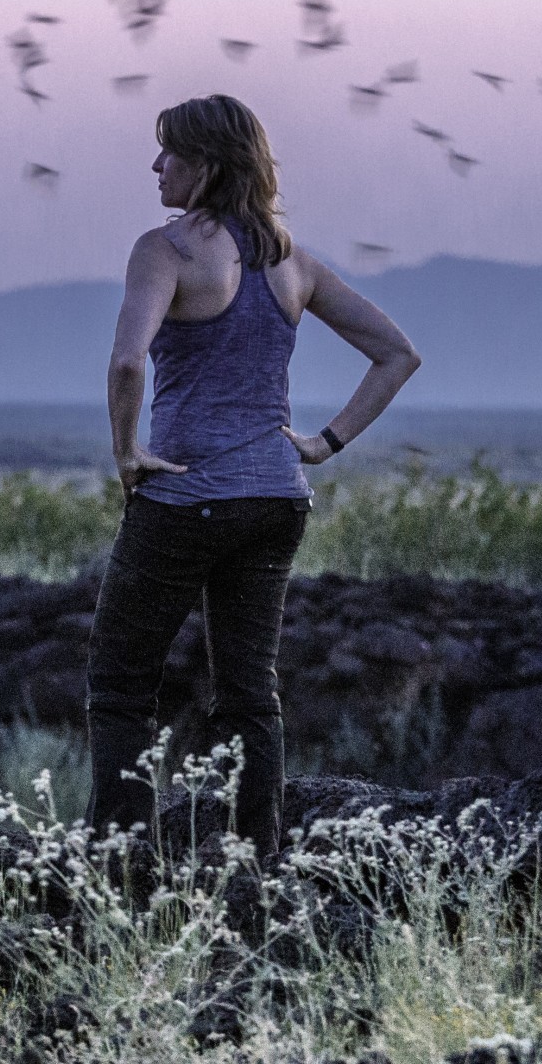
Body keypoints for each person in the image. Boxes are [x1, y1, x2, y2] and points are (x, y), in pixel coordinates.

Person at [86, 94, 421, 861]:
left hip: (184, 496)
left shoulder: (164, 251)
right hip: (277, 497)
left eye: (168, 152)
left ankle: (121, 868)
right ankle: (259, 868)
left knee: (120, 684)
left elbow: (128, 359)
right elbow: (398, 352)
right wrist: (324, 443)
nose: (155, 165)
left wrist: (125, 451)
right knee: (248, 693)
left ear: (207, 164)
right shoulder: (290, 260)